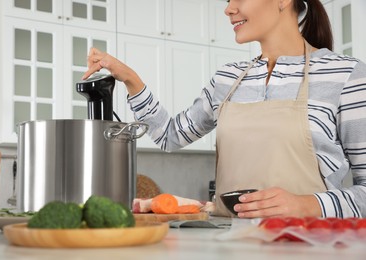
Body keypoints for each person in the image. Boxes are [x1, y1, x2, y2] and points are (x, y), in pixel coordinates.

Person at [82, 0, 366, 218]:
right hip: (232, 244)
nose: (228, 9)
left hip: (313, 246)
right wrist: (129, 77)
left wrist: (308, 204)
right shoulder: (228, 78)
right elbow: (169, 136)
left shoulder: (345, 75)